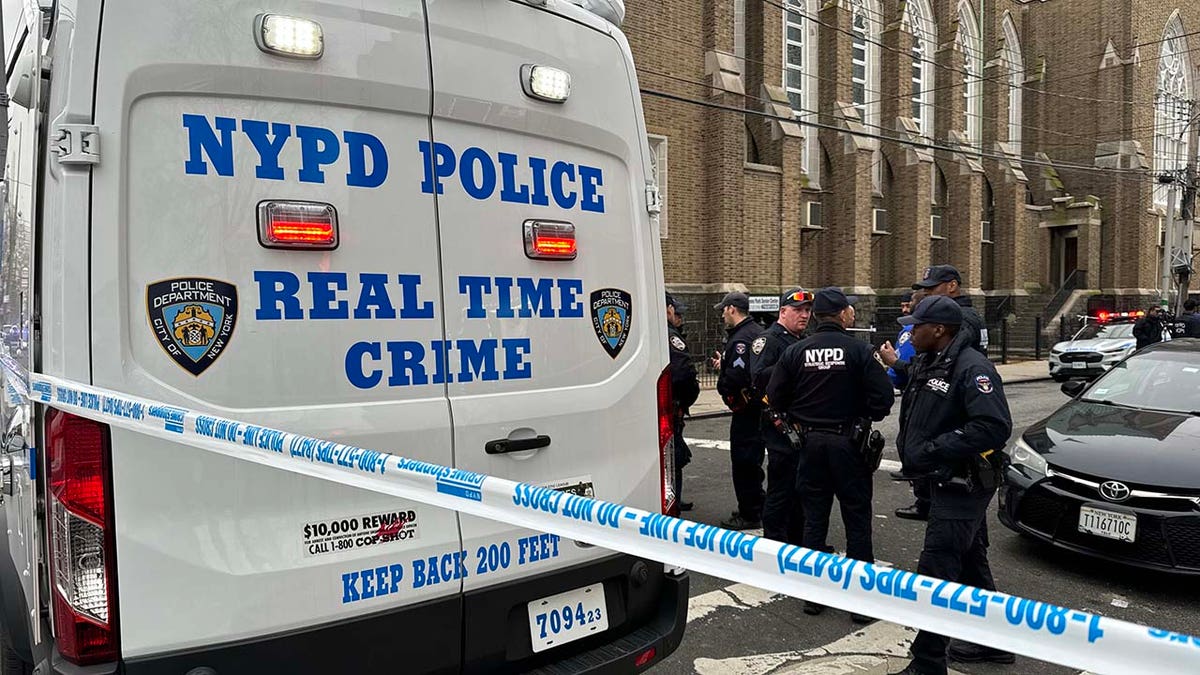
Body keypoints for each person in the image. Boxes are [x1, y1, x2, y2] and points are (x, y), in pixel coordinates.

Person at [894, 296, 1015, 675]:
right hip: (942, 479)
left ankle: (927, 664)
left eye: (917, 326)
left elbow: (993, 426)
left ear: (939, 330)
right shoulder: (934, 361)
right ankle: (994, 641)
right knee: (971, 563)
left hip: (962, 483)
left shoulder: (972, 368)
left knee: (937, 572)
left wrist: (934, 450)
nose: (910, 331)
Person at [766, 288, 894, 622]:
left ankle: (813, 596)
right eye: (849, 310)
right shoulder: (859, 351)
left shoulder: (796, 351)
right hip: (848, 444)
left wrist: (802, 412)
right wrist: (858, 411)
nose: (852, 313)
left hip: (810, 445)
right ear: (841, 315)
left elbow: (775, 396)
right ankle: (861, 602)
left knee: (814, 519)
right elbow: (883, 400)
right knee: (856, 519)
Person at [751, 287, 814, 546]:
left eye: (808, 310)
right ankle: (775, 542)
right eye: (798, 310)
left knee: (801, 489)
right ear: (783, 312)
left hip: (803, 424)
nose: (804, 315)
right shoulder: (770, 340)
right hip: (781, 426)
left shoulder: (802, 339)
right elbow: (759, 379)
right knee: (781, 490)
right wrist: (794, 364)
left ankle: (796, 540)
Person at [712, 291, 766, 530]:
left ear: (732, 309)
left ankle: (750, 512)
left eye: (724, 310)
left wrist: (722, 381)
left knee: (744, 463)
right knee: (752, 462)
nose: (723, 314)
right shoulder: (757, 332)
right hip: (759, 407)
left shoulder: (741, 339)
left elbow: (738, 375)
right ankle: (755, 505)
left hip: (747, 409)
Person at [886, 289, 931, 521]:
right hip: (913, 389)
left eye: (910, 304)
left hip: (915, 391)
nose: (906, 308)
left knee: (915, 439)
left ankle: (924, 500)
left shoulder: (909, 333)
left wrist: (892, 365)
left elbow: (903, 364)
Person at [667, 293, 700, 511]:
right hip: (671, 407)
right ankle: (673, 502)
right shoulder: (670, 335)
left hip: (670, 406)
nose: (680, 318)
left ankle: (675, 499)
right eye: (677, 313)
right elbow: (683, 374)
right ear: (668, 309)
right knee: (672, 458)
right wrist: (686, 398)